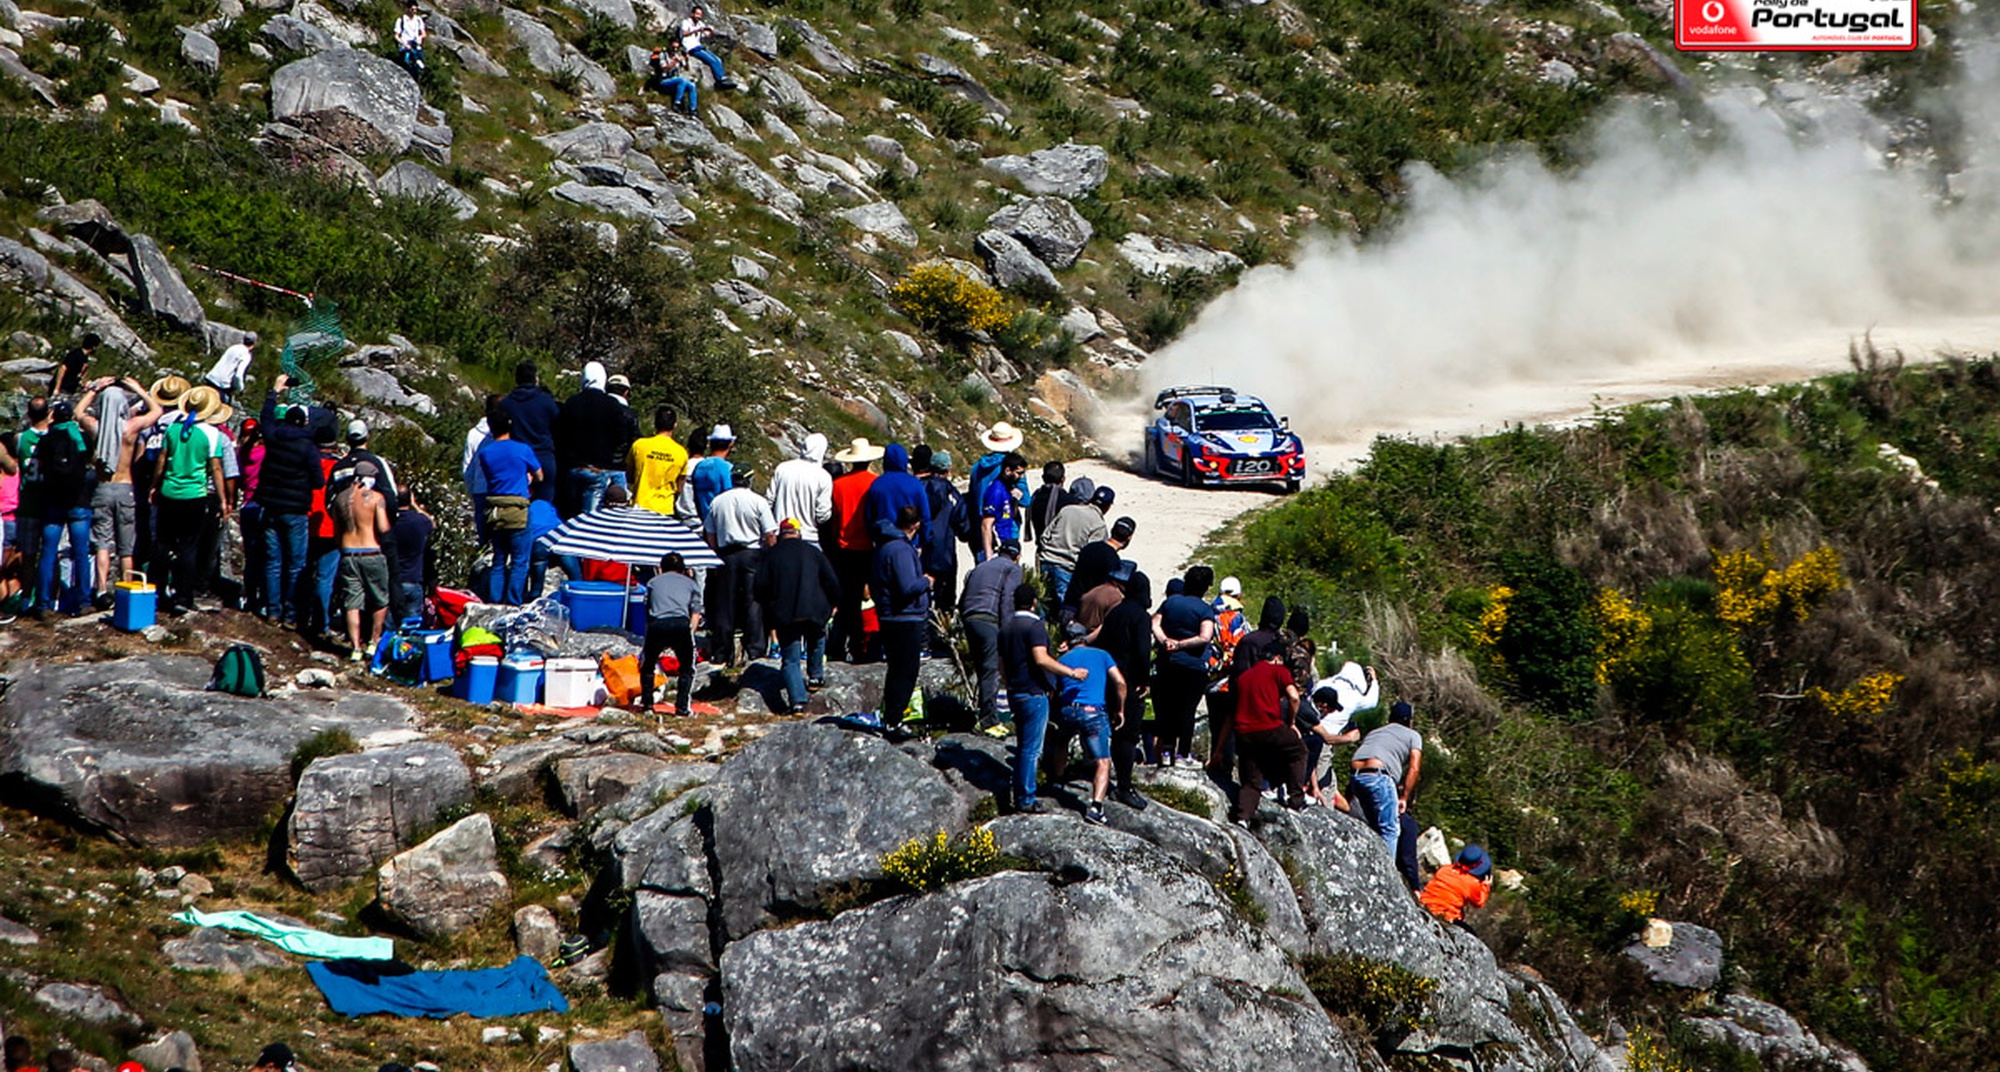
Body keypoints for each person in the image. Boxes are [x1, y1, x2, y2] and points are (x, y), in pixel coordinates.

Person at [1000, 582, 1086, 813]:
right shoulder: (1035, 625)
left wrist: (1009, 684)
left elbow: (1001, 665)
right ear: (1034, 602)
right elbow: (1040, 658)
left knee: (1022, 745)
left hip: (1015, 691)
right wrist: (1070, 672)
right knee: (1031, 749)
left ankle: (1019, 791)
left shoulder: (1006, 625)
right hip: (1033, 692)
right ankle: (1026, 798)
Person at [151, 392, 228, 616]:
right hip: (194, 494)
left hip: (169, 491)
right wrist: (223, 499)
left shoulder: (173, 429)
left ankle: (158, 589)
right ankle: (183, 595)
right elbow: (216, 468)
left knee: (163, 543)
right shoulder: (212, 434)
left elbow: (162, 459)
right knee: (188, 546)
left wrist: (155, 485)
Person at [255, 382, 324, 624]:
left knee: (273, 561)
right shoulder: (308, 448)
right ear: (304, 423)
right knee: (296, 564)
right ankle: (291, 614)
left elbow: (265, 418)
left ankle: (273, 610)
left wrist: (273, 393)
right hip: (295, 510)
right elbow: (318, 482)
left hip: (270, 506)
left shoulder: (274, 437)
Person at [754, 517, 839, 712]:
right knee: (817, 639)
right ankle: (816, 676)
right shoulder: (813, 552)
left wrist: (769, 606)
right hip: (815, 608)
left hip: (786, 612)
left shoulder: (771, 555)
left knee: (791, 659)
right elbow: (831, 580)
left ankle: (797, 701)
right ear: (799, 533)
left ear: (781, 535)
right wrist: (835, 602)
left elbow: (760, 587)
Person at [1052, 621, 1125, 824]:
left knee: (1062, 741)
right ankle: (1096, 808)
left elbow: (1054, 690)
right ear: (1085, 636)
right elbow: (1120, 682)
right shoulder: (1102, 655)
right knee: (1103, 761)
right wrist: (1120, 709)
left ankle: (1057, 780)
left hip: (1068, 710)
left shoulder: (1063, 659)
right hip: (1094, 712)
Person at [703, 467, 777, 666]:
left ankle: (721, 651)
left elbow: (709, 533)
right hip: (752, 553)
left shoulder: (718, 501)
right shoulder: (757, 501)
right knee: (753, 602)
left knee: (724, 604)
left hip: (726, 555)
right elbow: (769, 533)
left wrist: (715, 553)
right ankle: (755, 649)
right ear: (749, 480)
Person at [1229, 647, 1309, 825]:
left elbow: (1232, 710)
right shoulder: (1278, 670)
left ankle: (1243, 817)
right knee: (1298, 751)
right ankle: (1296, 801)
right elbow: (1294, 698)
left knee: (1251, 780)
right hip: (1269, 727)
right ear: (1277, 658)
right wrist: (1291, 722)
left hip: (1244, 733)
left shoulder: (1243, 678)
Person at [1349, 701, 1425, 888]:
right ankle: (1386, 882)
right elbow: (1414, 768)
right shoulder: (1413, 735)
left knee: (1374, 827)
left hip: (1357, 776)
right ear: (1410, 721)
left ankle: (1367, 866)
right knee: (1391, 830)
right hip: (1380, 776)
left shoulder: (1376, 732)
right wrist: (1404, 798)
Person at [1095, 568, 1153, 810]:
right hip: (1129, 681)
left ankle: (1104, 777)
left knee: (1110, 730)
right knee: (1127, 735)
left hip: (1109, 678)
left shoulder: (1115, 612)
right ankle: (1125, 786)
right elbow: (1142, 651)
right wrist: (1144, 680)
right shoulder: (1140, 616)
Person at [29, 399, 94, 617]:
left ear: (53, 417)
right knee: (81, 552)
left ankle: (44, 604)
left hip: (52, 502)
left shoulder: (46, 441)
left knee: (48, 552)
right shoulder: (81, 438)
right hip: (78, 501)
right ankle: (83, 601)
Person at [871, 504, 931, 734]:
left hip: (889, 616)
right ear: (915, 524)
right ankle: (894, 719)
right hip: (905, 617)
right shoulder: (900, 550)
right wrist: (926, 581)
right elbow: (907, 587)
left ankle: (891, 717)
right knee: (906, 669)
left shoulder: (884, 547)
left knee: (896, 669)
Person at [1151, 565, 1217, 766]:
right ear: (1205, 587)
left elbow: (1155, 623)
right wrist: (1182, 644)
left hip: (1168, 662)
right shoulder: (1205, 609)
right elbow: (1205, 636)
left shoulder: (1170, 602)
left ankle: (1166, 751)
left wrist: (1166, 642)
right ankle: (1183, 754)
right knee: (1187, 710)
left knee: (1168, 708)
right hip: (1193, 665)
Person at [476, 410, 544, 605]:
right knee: (519, 561)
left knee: (499, 559)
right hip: (518, 509)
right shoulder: (522, 449)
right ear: (510, 424)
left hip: (495, 510)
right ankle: (513, 602)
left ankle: (495, 602)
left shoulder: (485, 453)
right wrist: (527, 477)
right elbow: (539, 475)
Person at [556, 361, 638, 517]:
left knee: (570, 515)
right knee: (590, 518)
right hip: (598, 468)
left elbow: (561, 435)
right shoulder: (612, 405)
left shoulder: (572, 403)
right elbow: (620, 437)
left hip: (573, 467)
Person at [827, 437, 881, 661]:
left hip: (843, 547)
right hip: (868, 546)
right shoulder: (874, 483)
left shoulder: (838, 484)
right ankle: (864, 646)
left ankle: (838, 645)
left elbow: (833, 517)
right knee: (869, 599)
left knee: (846, 600)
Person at [960, 536, 1021, 728]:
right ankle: (988, 719)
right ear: (1017, 556)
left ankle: (981, 713)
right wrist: (1008, 632)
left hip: (969, 618)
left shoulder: (980, 567)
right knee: (991, 670)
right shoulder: (1012, 569)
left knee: (981, 667)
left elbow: (962, 598)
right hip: (989, 619)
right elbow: (1008, 600)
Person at [333, 460, 392, 660]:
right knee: (380, 599)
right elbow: (383, 528)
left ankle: (355, 647)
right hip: (371, 552)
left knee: (352, 603)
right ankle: (373, 643)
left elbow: (337, 532)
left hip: (348, 553)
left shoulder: (340, 499)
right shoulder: (376, 498)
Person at [640, 552, 703, 716]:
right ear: (682, 568)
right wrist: (691, 633)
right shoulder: (691, 584)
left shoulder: (652, 582)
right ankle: (682, 707)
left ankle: (647, 705)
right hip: (680, 624)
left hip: (657, 624)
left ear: (662, 567)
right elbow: (696, 612)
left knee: (648, 666)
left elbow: (648, 609)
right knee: (687, 668)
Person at [914, 447, 963, 654]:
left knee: (922, 596)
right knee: (946, 600)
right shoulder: (952, 494)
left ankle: (922, 641)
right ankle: (942, 641)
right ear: (948, 469)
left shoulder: (919, 489)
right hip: (945, 553)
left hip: (922, 550)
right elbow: (964, 525)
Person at [1304, 663, 1375, 801]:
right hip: (1325, 742)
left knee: (1330, 783)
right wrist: (1374, 681)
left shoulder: (1323, 684)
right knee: (1323, 783)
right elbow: (1372, 701)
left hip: (1310, 734)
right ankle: (1322, 811)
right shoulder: (1354, 697)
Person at [1040, 484, 1112, 610]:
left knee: (1042, 603)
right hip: (1066, 567)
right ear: (1108, 507)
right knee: (1062, 608)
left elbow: (1045, 536)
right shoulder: (1098, 524)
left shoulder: (1067, 510)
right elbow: (1091, 554)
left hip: (1046, 560)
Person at [497, 361, 559, 503]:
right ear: (535, 378)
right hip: (544, 456)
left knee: (517, 503)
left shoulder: (506, 404)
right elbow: (558, 425)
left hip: (516, 458)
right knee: (544, 504)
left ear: (517, 379)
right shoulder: (546, 401)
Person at [767, 432, 833, 546]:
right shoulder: (823, 476)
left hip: (781, 533)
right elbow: (822, 515)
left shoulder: (783, 468)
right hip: (808, 536)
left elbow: (769, 500)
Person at [1065, 515, 1134, 614]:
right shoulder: (1113, 561)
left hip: (1069, 603)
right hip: (1086, 610)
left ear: (1112, 530)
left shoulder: (1089, 548)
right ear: (1129, 538)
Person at [629, 404, 689, 518]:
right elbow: (680, 486)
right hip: (665, 509)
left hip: (639, 506)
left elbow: (630, 476)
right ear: (675, 425)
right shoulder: (681, 453)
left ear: (655, 423)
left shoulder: (639, 445)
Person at [863, 443, 931, 542]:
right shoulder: (915, 484)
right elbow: (925, 517)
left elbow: (869, 518)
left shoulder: (876, 485)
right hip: (909, 541)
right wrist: (924, 540)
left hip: (884, 541)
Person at [1421, 845, 1495, 925]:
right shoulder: (1472, 883)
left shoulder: (1444, 869)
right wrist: (1485, 886)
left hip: (1424, 905)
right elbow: (1479, 902)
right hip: (1446, 915)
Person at [390, 487, 434, 621]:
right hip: (414, 579)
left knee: (390, 625)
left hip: (393, 580)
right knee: (413, 625)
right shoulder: (420, 521)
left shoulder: (388, 522)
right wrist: (415, 505)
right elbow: (432, 522)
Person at [979, 452, 1028, 561]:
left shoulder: (1008, 487)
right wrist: (989, 557)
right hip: (1001, 547)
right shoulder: (996, 491)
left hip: (1010, 542)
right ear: (1007, 470)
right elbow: (986, 525)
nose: (1022, 477)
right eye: (1019, 473)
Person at [678, 5, 738, 89]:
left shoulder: (700, 24)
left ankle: (723, 78)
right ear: (692, 14)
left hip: (698, 46)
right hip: (690, 47)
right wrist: (696, 30)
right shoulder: (686, 22)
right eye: (697, 14)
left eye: (700, 15)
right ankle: (719, 79)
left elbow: (705, 34)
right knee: (712, 61)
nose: (698, 16)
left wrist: (709, 32)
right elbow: (683, 34)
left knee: (718, 60)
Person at [1074, 557, 1131, 638]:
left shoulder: (1095, 589)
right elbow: (1108, 624)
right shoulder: (1116, 597)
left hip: (1080, 633)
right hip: (1094, 639)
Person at [1025, 461, 1071, 553]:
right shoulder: (1069, 500)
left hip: (1041, 548)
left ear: (1043, 478)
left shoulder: (1035, 497)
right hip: (1061, 551)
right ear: (1063, 479)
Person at [203, 331, 257, 403]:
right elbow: (238, 375)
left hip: (211, 377)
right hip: (221, 385)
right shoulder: (246, 355)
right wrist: (240, 388)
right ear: (254, 343)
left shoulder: (233, 347)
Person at [648, 42, 700, 115]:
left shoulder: (677, 55)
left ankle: (693, 109)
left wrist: (686, 59)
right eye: (673, 48)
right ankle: (677, 103)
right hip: (664, 81)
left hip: (674, 80)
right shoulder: (663, 55)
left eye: (676, 48)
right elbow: (664, 69)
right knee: (681, 81)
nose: (674, 50)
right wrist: (675, 61)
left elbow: (686, 68)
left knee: (692, 85)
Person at [52, 332, 97, 397]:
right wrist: (57, 388)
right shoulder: (75, 355)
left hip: (69, 388)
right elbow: (63, 368)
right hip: (63, 387)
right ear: (93, 347)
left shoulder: (84, 357)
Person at [394, 1, 427, 72]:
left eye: (416, 10)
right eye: (412, 9)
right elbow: (396, 36)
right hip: (405, 46)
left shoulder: (418, 20)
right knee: (407, 63)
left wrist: (420, 37)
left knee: (419, 63)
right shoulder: (401, 20)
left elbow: (424, 33)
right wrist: (405, 44)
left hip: (416, 44)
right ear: (408, 9)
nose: (414, 12)